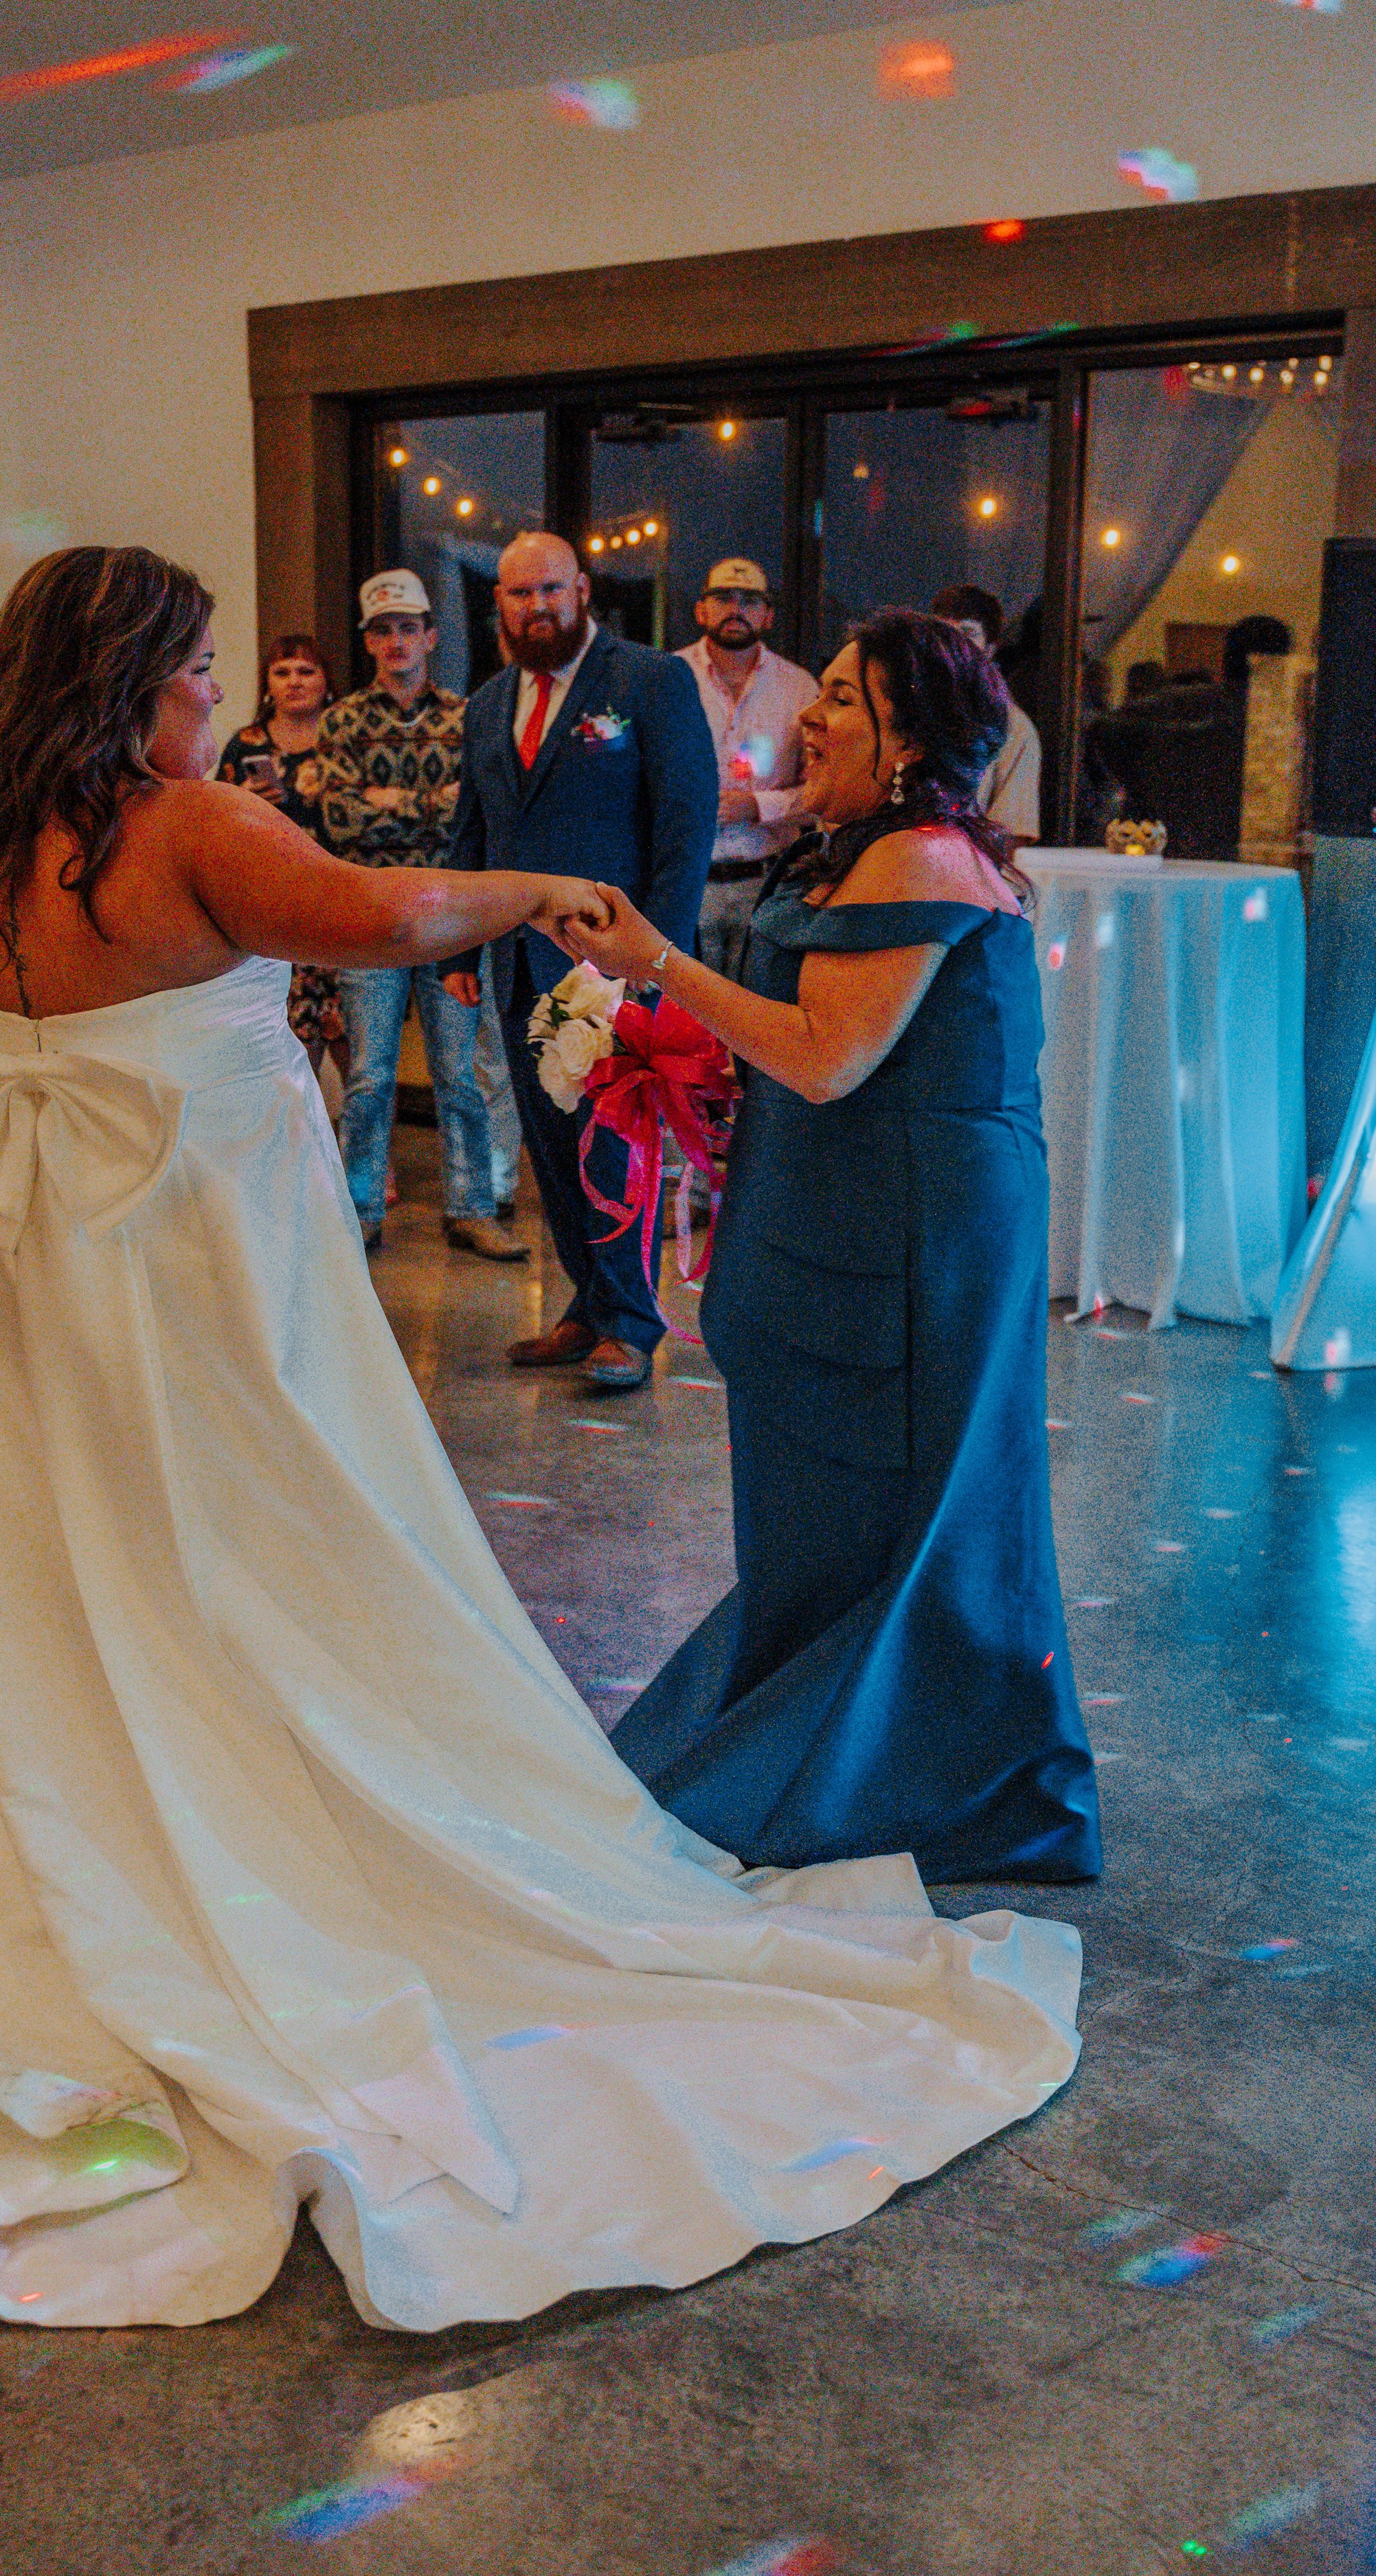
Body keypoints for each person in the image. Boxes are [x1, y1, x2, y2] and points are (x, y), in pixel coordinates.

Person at [0, 543, 1083, 2334]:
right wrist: (546, 881)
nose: (218, 700)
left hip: (18, 1289)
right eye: (204, 668)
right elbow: (381, 918)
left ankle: (88, 1769)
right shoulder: (178, 827)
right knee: (251, 1543)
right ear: (144, 674)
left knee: (65, 1543)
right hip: (188, 1277)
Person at [563, 609, 1102, 1886]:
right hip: (854, 1205)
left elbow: (826, 1053)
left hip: (926, 1234)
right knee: (829, 1516)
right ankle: (816, 1730)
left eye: (847, 700)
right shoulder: (855, 846)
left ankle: (924, 1776)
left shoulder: (922, 857)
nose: (813, 714)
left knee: (912, 1507)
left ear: (911, 740)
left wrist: (657, 965)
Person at [442, 532, 719, 1390]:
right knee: (551, 1149)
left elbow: (686, 824)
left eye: (552, 591)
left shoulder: (647, 681)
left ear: (583, 590)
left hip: (614, 963)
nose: (538, 608)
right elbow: (475, 829)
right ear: (500, 604)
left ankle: (631, 1324)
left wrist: (654, 956)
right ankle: (586, 1304)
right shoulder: (487, 705)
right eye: (521, 594)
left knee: (614, 1147)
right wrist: (457, 942)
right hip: (519, 967)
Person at [317, 572, 521, 1262]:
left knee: (460, 1076)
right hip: (369, 917)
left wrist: (389, 802)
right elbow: (340, 821)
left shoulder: (465, 716)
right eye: (383, 629)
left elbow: (475, 816)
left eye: (408, 628)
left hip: (450, 918)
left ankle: (473, 1208)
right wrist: (431, 804)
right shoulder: (342, 719)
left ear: (430, 635)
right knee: (370, 1077)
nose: (396, 641)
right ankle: (360, 1210)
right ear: (368, 640)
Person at [216, 633, 349, 1080]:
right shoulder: (246, 744)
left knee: (359, 1047)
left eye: (306, 671)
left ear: (327, 681)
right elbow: (218, 828)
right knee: (290, 1045)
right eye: (282, 672)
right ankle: (303, 1145)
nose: (294, 681)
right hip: (274, 913)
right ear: (267, 684)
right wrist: (245, 802)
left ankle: (361, 1149)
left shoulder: (348, 737)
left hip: (342, 902)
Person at [678, 559, 817, 978]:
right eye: (723, 598)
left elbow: (821, 793)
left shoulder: (801, 689)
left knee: (757, 1018)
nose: (735, 609)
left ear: (768, 615)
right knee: (685, 1025)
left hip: (767, 884)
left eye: (750, 601)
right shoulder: (668, 677)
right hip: (687, 883)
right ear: (701, 610)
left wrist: (757, 806)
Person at [933, 585, 1041, 845]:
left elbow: (1012, 835)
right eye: (944, 633)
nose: (954, 645)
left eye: (968, 634)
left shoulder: (1013, 728)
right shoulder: (901, 710)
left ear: (990, 649)